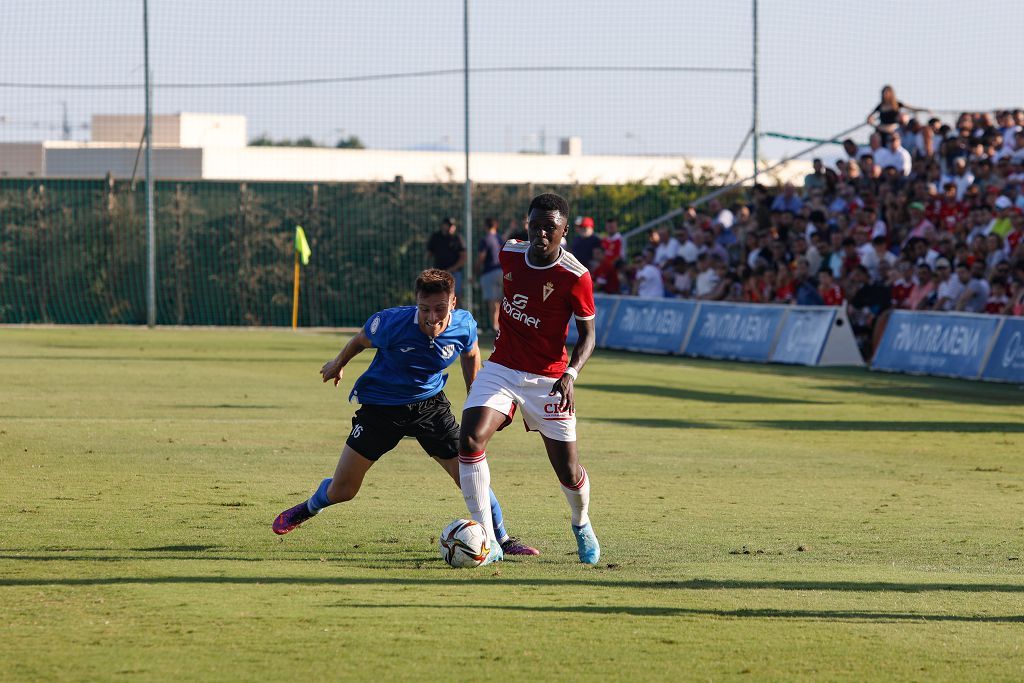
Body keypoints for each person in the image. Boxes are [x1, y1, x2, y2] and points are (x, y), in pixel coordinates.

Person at [272, 269, 539, 557]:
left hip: (430, 407)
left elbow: (471, 352)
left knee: (469, 473)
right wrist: (338, 363)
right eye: (424, 309)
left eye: (439, 308)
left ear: (453, 303)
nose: (431, 317)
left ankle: (503, 539)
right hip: (381, 407)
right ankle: (309, 507)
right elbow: (361, 339)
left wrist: (476, 395)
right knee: (344, 490)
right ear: (416, 303)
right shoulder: (390, 323)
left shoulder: (464, 325)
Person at [457, 192, 600, 566]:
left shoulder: (576, 276)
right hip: (503, 367)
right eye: (535, 225)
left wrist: (571, 374)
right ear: (527, 224)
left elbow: (588, 336)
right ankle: (488, 541)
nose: (540, 233)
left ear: (563, 231)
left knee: (568, 471)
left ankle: (581, 522)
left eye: (549, 228)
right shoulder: (509, 254)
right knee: (470, 438)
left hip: (550, 378)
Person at [426, 217, 467, 299]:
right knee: (438, 295)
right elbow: (429, 254)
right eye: (449, 225)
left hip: (454, 273)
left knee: (454, 295)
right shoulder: (436, 237)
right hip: (438, 273)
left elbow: (463, 257)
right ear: (443, 226)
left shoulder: (457, 238)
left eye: (453, 226)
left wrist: (452, 269)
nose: (452, 228)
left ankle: (453, 311)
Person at [477, 217, 503, 331]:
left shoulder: (485, 239)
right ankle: (501, 326)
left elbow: (481, 257)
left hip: (489, 271)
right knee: (501, 300)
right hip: (502, 271)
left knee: (492, 301)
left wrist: (475, 270)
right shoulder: (500, 239)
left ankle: (494, 326)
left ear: (485, 226)